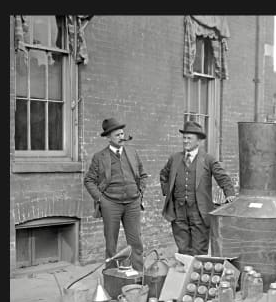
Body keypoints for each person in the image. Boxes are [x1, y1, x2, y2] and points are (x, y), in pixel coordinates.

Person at [159, 121, 236, 256]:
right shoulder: (175, 158)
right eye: (184, 138)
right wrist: (168, 193)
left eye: (189, 138)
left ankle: (197, 275)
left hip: (199, 211)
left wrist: (229, 193)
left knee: (199, 250)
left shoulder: (208, 159)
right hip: (179, 211)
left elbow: (223, 178)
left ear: (198, 141)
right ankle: (185, 274)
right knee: (183, 248)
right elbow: (164, 174)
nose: (185, 141)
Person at [83, 117, 149, 273]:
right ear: (108, 138)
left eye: (122, 134)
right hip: (110, 204)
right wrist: (101, 199)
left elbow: (143, 175)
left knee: (136, 242)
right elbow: (89, 180)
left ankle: (139, 275)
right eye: (117, 135)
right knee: (111, 244)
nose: (121, 137)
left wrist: (140, 193)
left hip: (132, 203)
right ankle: (111, 276)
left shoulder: (132, 153)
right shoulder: (100, 157)